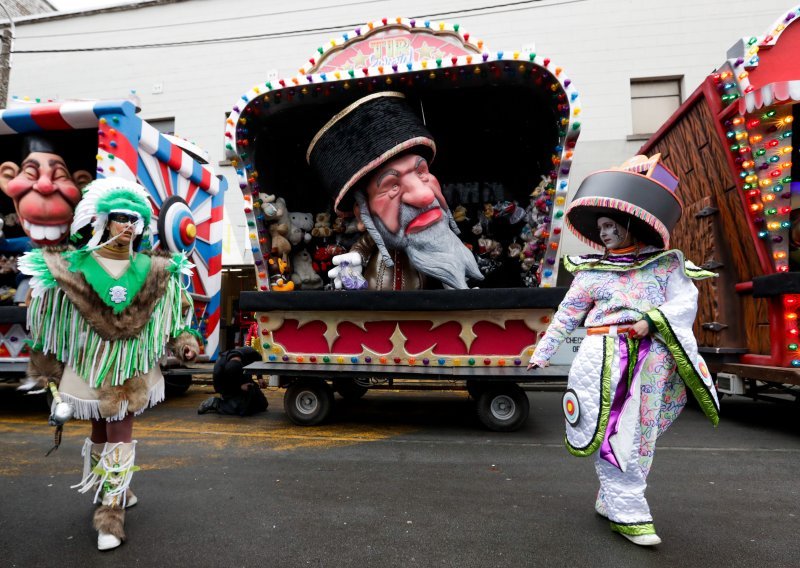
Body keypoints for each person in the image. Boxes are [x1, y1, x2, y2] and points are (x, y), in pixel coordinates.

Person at [527, 155, 719, 546]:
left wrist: (650, 320)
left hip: (653, 359)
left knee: (639, 436)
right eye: (601, 228)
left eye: (611, 225)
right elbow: (565, 316)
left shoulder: (666, 267)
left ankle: (612, 495)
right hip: (604, 358)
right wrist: (542, 352)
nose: (606, 233)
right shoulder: (590, 273)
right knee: (618, 431)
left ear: (632, 224)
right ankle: (629, 511)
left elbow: (685, 302)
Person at [18, 177, 200, 551]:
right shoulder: (75, 265)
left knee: (119, 433)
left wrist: (184, 342)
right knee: (100, 431)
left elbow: (176, 314)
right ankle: (114, 487)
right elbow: (48, 315)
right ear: (103, 219)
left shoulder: (153, 268)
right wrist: (45, 363)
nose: (128, 226)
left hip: (130, 366)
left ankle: (110, 514)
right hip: (90, 362)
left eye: (135, 219)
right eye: (120, 217)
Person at [306, 91, 482, 290]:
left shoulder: (438, 242)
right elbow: (363, 247)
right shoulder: (374, 237)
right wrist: (353, 261)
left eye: (422, 172)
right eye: (393, 186)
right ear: (361, 214)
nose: (425, 196)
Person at [2, 135, 82, 245]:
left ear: (82, 184)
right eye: (30, 173)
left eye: (59, 176)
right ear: (8, 177)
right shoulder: (25, 245)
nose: (45, 185)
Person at [197, 346, 267, 416]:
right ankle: (216, 403)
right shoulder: (219, 370)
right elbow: (219, 389)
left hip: (246, 380)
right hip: (230, 386)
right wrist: (239, 387)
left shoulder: (249, 352)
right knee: (242, 410)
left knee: (262, 405)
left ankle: (241, 401)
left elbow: (259, 360)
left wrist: (259, 377)